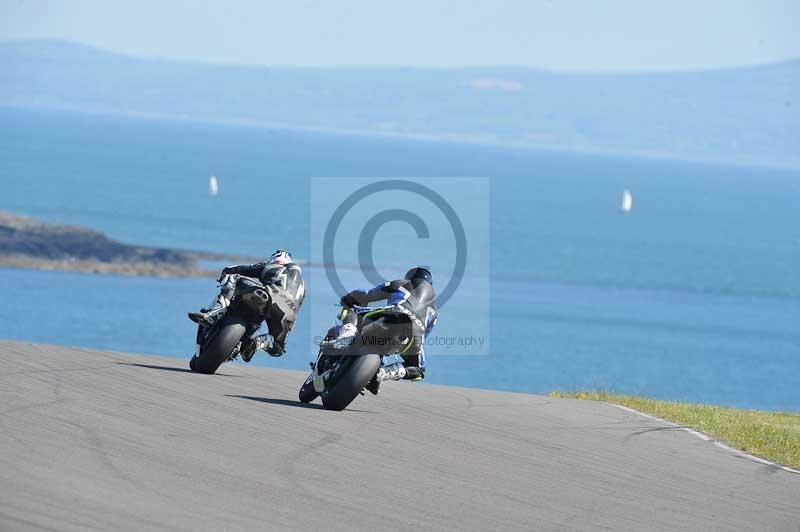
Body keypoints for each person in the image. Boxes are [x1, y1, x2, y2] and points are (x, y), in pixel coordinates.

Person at [334, 266, 437, 394]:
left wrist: (349, 298)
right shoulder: (434, 312)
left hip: (394, 313)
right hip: (414, 335)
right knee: (419, 371)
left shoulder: (402, 283)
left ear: (411, 276)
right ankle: (383, 373)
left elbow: (368, 295)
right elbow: (423, 336)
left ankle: (347, 335)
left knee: (353, 310)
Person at [188, 249, 305, 361]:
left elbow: (244, 269)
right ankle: (260, 342)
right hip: (288, 314)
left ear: (276, 260)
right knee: (278, 347)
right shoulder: (302, 286)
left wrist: (225, 272)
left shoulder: (275, 266)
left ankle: (215, 312)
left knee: (234, 277)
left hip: (270, 295)